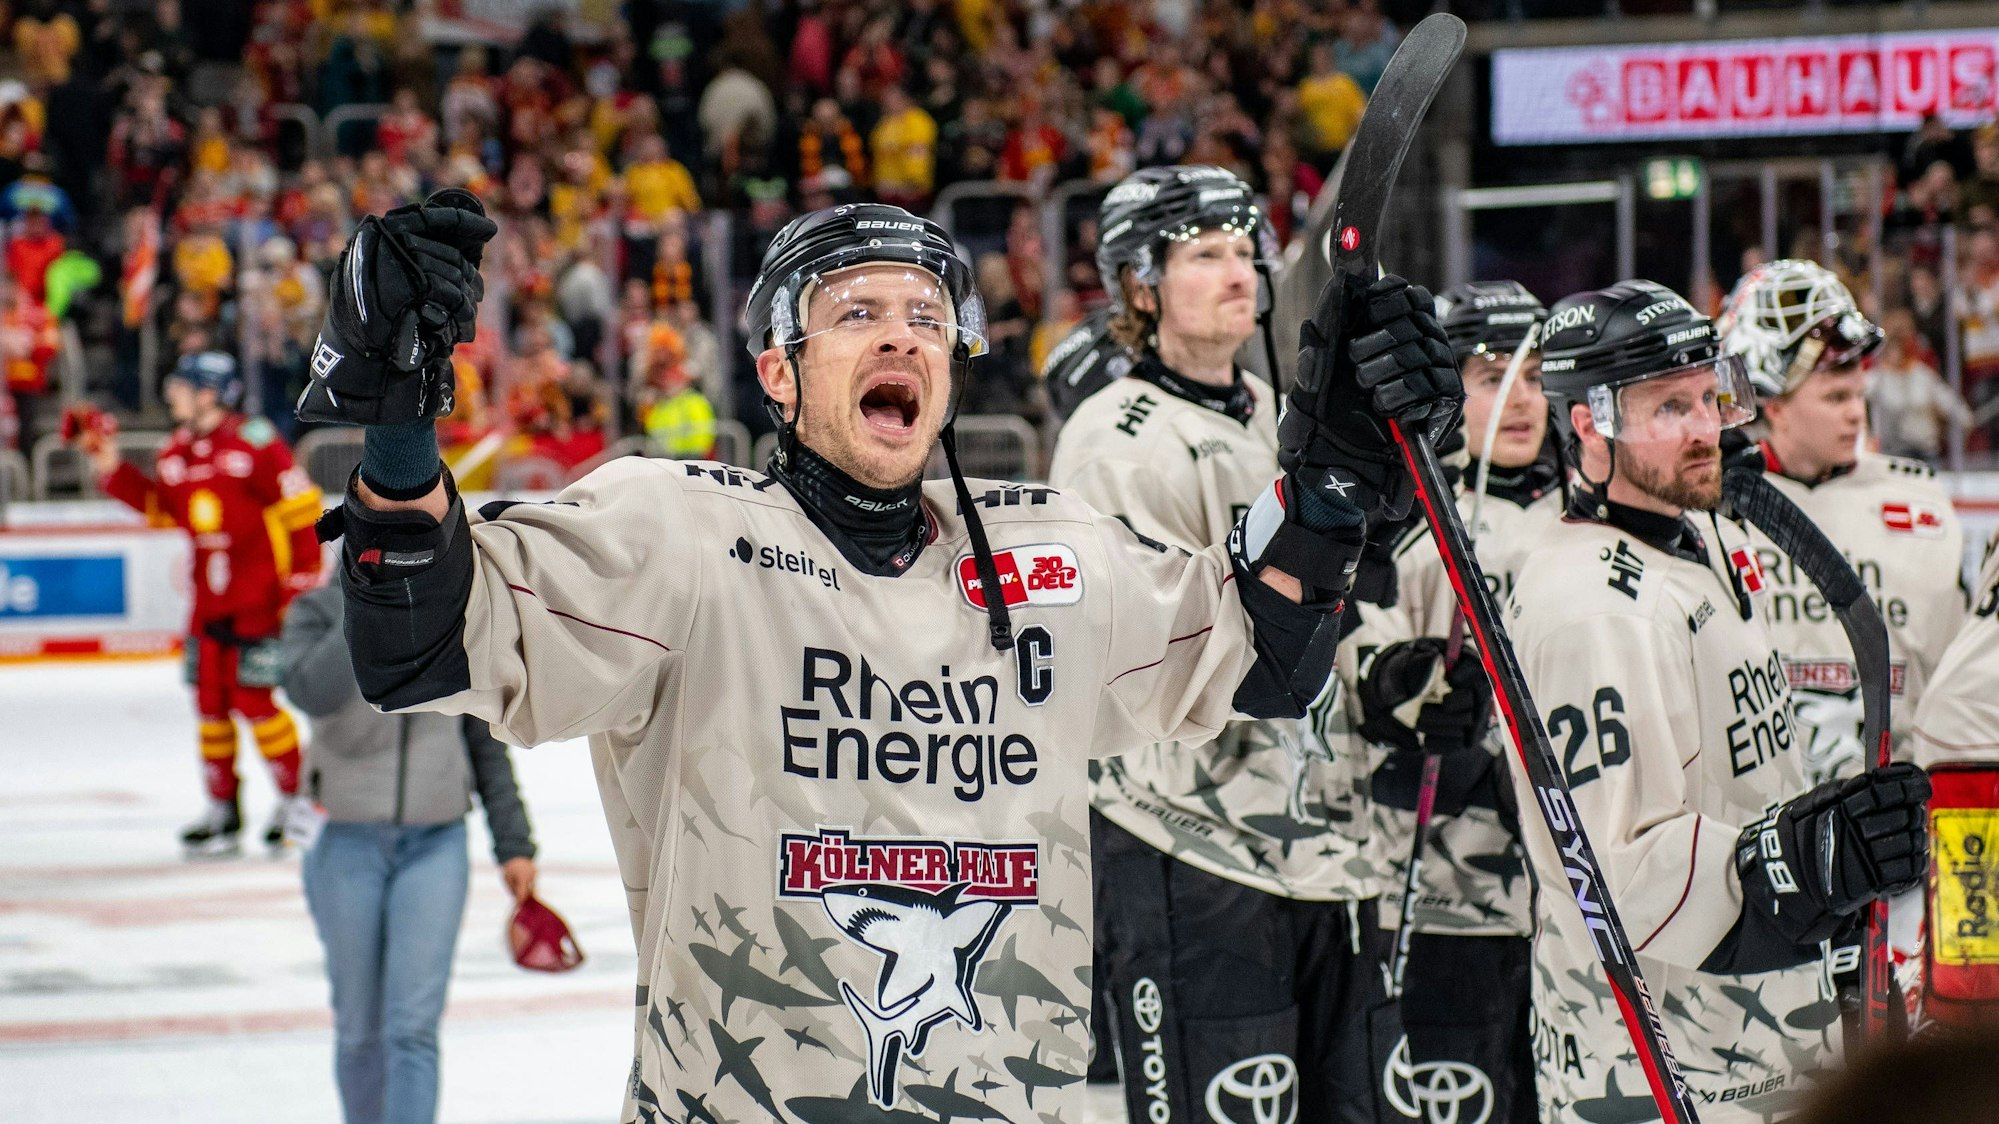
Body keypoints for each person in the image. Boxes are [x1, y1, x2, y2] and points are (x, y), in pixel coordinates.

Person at [293, 192, 1462, 1120]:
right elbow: (422, 638)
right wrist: (399, 424)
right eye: (853, 311)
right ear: (775, 369)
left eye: (923, 312)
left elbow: (1263, 650)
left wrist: (1335, 478)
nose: (900, 328)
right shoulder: (683, 533)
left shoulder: (1055, 553)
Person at [1506, 280, 1930, 1121]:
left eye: (1710, 397)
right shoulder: (1590, 611)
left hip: (1744, 1042)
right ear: (1587, 424)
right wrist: (1806, 861)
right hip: (1656, 1070)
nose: (1706, 427)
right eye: (1669, 408)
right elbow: (1617, 875)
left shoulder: (1684, 523)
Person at [1049, 165, 1393, 1123]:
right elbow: (1142, 652)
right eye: (1205, 255)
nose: (1239, 272)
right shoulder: (1116, 440)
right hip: (1189, 850)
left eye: (1246, 253)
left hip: (1321, 845)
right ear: (1139, 286)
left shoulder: (1274, 419)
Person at [1346, 281, 1554, 1123]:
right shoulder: (1405, 530)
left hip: (1566, 918)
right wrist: (1410, 715)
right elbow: (1358, 704)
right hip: (1443, 910)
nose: (1518, 398)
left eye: (1535, 377)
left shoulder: (1586, 527)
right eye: (1489, 374)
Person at [281, 570, 539, 1124]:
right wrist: (364, 607)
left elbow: (483, 737)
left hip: (435, 841)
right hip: (342, 844)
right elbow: (310, 692)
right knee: (359, 1031)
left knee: (413, 1029)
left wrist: (513, 841)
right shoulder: (317, 611)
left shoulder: (454, 616)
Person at [1717, 260, 1966, 781]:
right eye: (1834, 397)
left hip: (1902, 809)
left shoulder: (1920, 502)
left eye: (1858, 395)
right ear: (1774, 405)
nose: (1856, 414)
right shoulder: (1712, 510)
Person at [68, 350, 324, 854]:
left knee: (254, 700)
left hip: (259, 600)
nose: (171, 394)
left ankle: (297, 800)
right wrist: (108, 462)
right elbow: (163, 510)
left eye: (181, 385)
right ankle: (222, 808)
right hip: (209, 603)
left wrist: (298, 585)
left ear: (209, 392)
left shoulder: (255, 443)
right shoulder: (176, 450)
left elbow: (302, 512)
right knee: (210, 705)